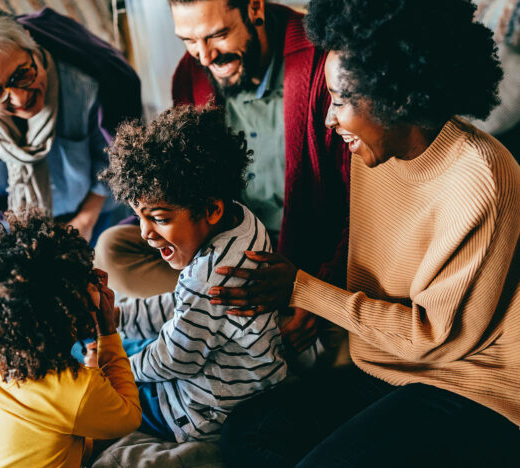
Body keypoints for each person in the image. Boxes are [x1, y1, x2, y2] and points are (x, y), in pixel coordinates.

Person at [216, 0, 520, 466]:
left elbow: (434, 338)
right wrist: (308, 297)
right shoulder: (372, 153)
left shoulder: (482, 178)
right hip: (386, 365)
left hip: (474, 383)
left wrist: (304, 288)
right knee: (246, 434)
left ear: (395, 92)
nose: (327, 119)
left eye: (339, 100)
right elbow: (367, 257)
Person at [94, 0, 350, 355]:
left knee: (344, 350)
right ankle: (230, 316)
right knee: (112, 249)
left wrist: (316, 291)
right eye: (188, 40)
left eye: (218, 35)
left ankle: (234, 320)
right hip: (224, 250)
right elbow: (181, 184)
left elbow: (362, 206)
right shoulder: (190, 73)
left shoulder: (323, 64)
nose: (204, 55)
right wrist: (154, 218)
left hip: (304, 261)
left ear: (255, 8)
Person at [100, 105, 289, 442]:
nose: (144, 232)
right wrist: (119, 316)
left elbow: (176, 357)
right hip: (242, 382)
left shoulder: (208, 277)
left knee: (88, 364)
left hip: (196, 412)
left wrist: (117, 371)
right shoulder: (244, 222)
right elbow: (182, 306)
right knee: (118, 339)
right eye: (139, 217)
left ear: (211, 209)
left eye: (158, 217)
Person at [0, 2, 141, 245]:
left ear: (31, 44)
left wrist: (86, 220)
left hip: (100, 210)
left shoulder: (81, 84)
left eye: (22, 74)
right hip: (17, 229)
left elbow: (109, 156)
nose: (20, 99)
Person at [0, 210, 141, 467]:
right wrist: (107, 329)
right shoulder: (79, 391)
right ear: (65, 312)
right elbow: (130, 416)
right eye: (85, 280)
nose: (94, 280)